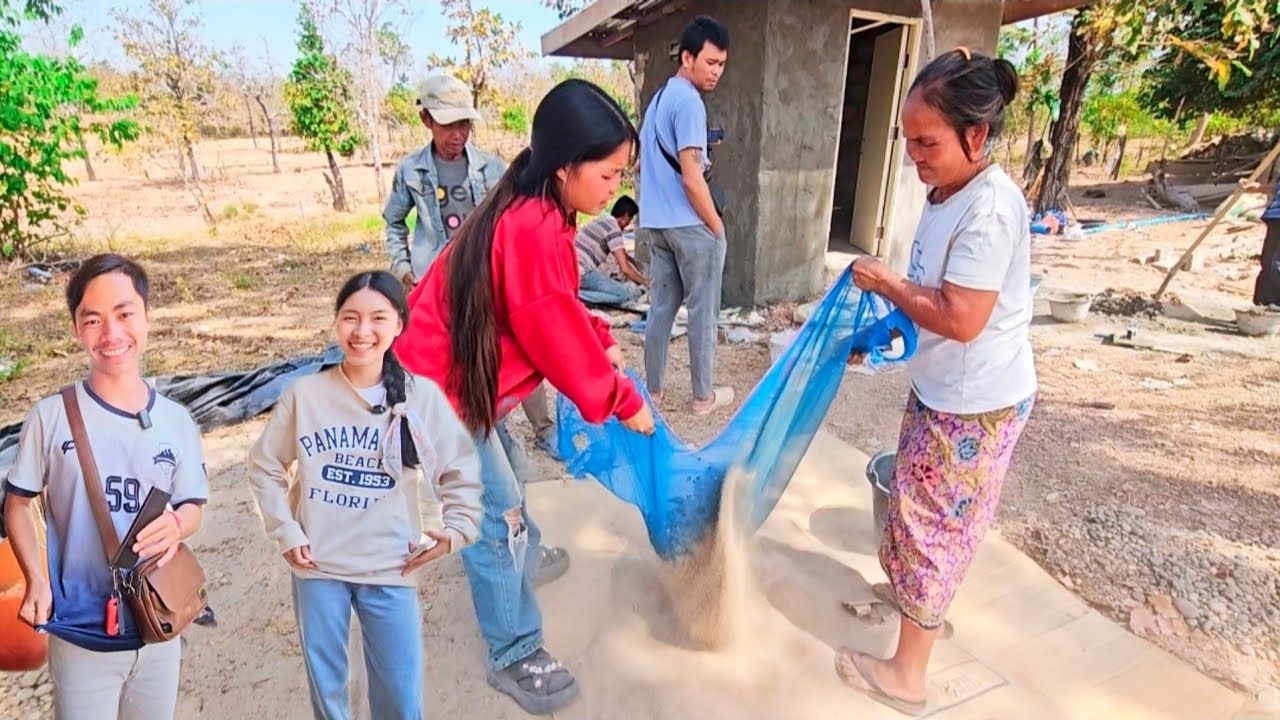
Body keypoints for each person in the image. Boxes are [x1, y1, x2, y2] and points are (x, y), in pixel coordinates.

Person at [394, 78, 656, 715]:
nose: (616, 187)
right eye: (610, 173)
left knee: (510, 477)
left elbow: (550, 303)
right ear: (566, 167)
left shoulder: (543, 205)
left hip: (464, 378)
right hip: (439, 388)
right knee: (493, 517)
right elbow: (548, 328)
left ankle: (522, 560)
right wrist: (622, 399)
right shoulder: (534, 225)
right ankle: (514, 649)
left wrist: (597, 332)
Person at [834, 48, 1036, 716]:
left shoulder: (991, 210)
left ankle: (907, 675)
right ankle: (920, 610)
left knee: (933, 529)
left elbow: (962, 316)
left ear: (975, 137)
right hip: (943, 390)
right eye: (908, 142)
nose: (914, 156)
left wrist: (887, 281)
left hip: (974, 405)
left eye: (927, 143)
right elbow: (932, 294)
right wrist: (888, 328)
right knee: (914, 514)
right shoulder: (947, 192)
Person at [247, 270, 482, 720]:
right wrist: (286, 530)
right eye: (350, 318)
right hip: (319, 568)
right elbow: (265, 465)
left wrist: (456, 531)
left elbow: (459, 469)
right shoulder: (306, 395)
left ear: (399, 324)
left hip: (389, 566)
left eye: (378, 318)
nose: (362, 331)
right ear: (336, 323)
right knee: (329, 693)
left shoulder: (420, 398)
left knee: (399, 693)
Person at [3, 254, 208, 720]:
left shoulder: (177, 421)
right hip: (80, 632)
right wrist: (37, 580)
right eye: (92, 319)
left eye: (124, 313)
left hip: (158, 623)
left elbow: (194, 505)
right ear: (76, 329)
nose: (111, 334)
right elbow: (17, 504)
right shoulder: (51, 417)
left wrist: (178, 524)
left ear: (147, 317)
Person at [383, 73, 561, 470]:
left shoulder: (491, 169)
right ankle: (474, 436)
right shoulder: (411, 172)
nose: (458, 134)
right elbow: (393, 222)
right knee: (456, 370)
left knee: (519, 348)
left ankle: (543, 427)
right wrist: (402, 266)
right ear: (426, 120)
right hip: (439, 289)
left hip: (487, 285)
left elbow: (513, 224)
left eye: (465, 124)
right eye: (449, 124)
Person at [639, 15, 735, 415]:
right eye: (710, 63)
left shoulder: (659, 100)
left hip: (657, 223)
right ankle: (702, 397)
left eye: (721, 65)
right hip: (690, 224)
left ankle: (653, 392)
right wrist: (716, 225)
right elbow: (692, 178)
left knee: (661, 310)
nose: (716, 72)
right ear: (688, 56)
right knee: (703, 310)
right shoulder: (690, 103)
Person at [576, 194, 647, 306]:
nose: (629, 223)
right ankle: (577, 297)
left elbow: (621, 253)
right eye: (631, 218)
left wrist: (634, 262)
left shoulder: (605, 221)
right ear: (626, 216)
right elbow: (625, 268)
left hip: (574, 271)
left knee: (616, 289)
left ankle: (576, 294)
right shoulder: (613, 228)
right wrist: (645, 282)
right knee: (624, 295)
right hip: (582, 274)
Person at [1237, 178, 1280, 306]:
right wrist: (1258, 187)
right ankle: (1264, 306)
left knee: (1274, 265)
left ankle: (1273, 307)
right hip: (1275, 216)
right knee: (1269, 262)